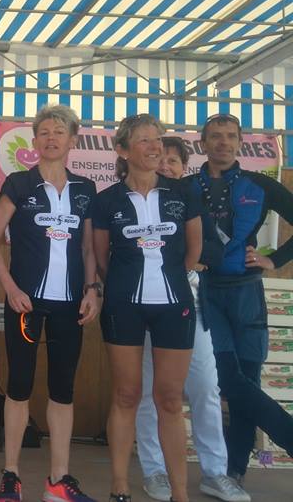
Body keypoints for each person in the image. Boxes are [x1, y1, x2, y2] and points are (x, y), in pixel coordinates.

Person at [0, 104, 99, 502]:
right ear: (34, 140)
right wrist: (11, 288)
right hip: (26, 305)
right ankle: (11, 475)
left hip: (70, 304)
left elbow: (88, 248)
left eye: (59, 132)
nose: (51, 138)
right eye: (44, 132)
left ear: (72, 140)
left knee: (62, 389)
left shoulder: (85, 189)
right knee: (18, 385)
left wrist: (91, 290)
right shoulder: (19, 184)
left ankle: (58, 480)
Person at [91, 113, 202, 502]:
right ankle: (120, 485)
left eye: (158, 139)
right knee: (126, 394)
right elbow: (101, 258)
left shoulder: (182, 193)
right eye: (144, 140)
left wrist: (168, 281)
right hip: (124, 305)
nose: (155, 146)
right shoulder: (106, 200)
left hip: (174, 304)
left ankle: (180, 493)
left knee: (170, 399)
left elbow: (193, 251)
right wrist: (127, 285)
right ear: (122, 150)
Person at [136, 136, 249, 501]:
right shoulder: (134, 197)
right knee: (149, 391)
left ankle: (215, 472)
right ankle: (154, 471)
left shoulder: (190, 198)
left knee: (205, 387)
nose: (165, 166)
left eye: (173, 161)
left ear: (184, 168)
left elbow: (214, 250)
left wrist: (186, 260)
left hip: (191, 305)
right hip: (145, 305)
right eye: (160, 159)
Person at [186, 113, 293, 487]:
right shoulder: (185, 187)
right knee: (230, 380)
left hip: (247, 294)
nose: (223, 142)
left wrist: (273, 260)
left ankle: (234, 472)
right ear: (203, 143)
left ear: (240, 142)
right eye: (215, 136)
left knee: (248, 379)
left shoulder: (260, 185)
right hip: (205, 294)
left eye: (231, 136)